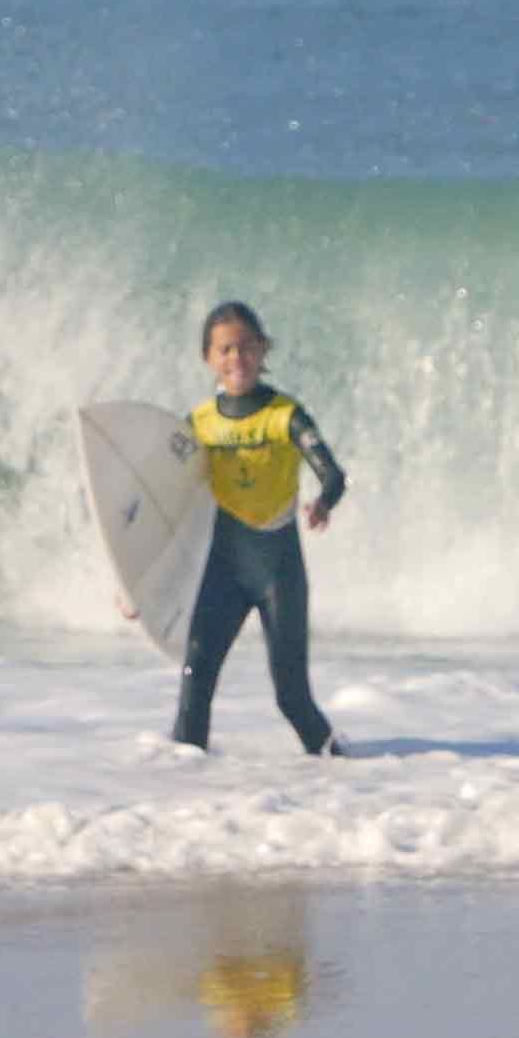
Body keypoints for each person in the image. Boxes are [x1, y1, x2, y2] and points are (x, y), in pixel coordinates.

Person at [170, 301, 347, 756]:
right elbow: (165, 504)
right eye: (226, 349)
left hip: (278, 570)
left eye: (248, 346)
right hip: (224, 570)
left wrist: (323, 502)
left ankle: (345, 773)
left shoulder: (285, 415)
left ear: (263, 349)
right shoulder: (197, 425)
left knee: (291, 697)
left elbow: (333, 473)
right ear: (209, 357)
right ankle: (180, 798)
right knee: (195, 682)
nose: (238, 358)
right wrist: (133, 581)